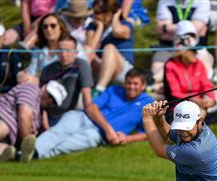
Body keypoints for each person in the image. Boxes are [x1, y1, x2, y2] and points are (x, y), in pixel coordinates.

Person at [14, 68, 152, 160]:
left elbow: (148, 133)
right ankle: (31, 152)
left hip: (97, 135)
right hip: (82, 118)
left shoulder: (148, 103)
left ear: (144, 85)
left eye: (136, 84)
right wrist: (109, 129)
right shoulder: (114, 90)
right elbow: (92, 108)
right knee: (58, 133)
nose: (131, 87)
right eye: (129, 83)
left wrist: (127, 139)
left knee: (64, 146)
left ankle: (26, 155)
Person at [151, 0, 211, 91]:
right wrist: (188, 30)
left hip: (196, 48)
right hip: (168, 48)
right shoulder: (164, 1)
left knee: (207, 71)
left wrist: (167, 29)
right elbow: (160, 31)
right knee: (157, 70)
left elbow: (197, 28)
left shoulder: (203, 1)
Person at [39, 35, 93, 127]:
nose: (64, 54)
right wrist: (46, 126)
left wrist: (90, 119)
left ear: (75, 52)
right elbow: (41, 101)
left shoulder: (82, 66)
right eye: (60, 50)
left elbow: (86, 95)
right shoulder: (47, 70)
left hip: (70, 116)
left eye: (68, 50)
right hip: (49, 117)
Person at [86, 0, 135, 94]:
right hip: (101, 68)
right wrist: (99, 28)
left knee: (109, 48)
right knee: (87, 49)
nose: (95, 16)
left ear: (110, 12)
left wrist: (116, 15)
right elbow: (90, 49)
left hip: (123, 71)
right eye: (94, 12)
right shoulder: (92, 26)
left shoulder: (125, 25)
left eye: (98, 12)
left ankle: (99, 89)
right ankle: (83, 86)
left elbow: (117, 31)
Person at [163, 33, 216, 115]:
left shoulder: (199, 64)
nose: (196, 53)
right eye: (193, 51)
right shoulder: (170, 66)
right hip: (179, 105)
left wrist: (210, 98)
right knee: (199, 114)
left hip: (200, 102)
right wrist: (194, 100)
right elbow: (174, 93)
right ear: (184, 52)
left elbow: (206, 84)